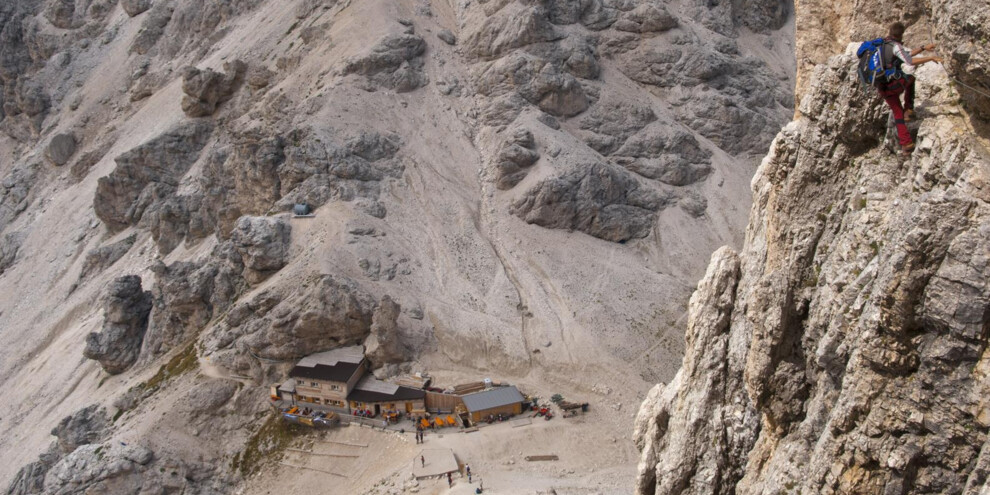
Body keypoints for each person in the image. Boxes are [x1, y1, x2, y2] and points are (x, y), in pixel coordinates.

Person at [877, 22, 941, 155]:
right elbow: (909, 61)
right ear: (901, 35)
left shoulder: (883, 44)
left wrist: (923, 48)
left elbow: (906, 54)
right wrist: (930, 58)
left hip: (882, 86)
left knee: (897, 112)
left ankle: (906, 145)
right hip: (893, 85)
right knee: (910, 79)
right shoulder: (895, 46)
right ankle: (908, 109)